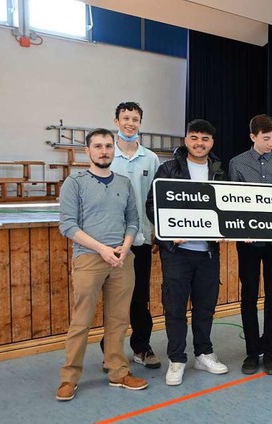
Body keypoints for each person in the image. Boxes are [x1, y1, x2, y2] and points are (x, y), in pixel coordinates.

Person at [56, 128, 148, 401]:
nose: (104, 150)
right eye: (98, 146)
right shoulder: (75, 182)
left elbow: (133, 220)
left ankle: (118, 372)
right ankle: (69, 377)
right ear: (88, 151)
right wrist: (101, 249)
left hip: (122, 260)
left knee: (118, 320)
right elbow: (68, 225)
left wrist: (126, 246)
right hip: (89, 258)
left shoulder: (123, 183)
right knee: (81, 322)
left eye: (108, 146)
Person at [146, 119, 229, 386]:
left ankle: (203, 354)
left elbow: (228, 206)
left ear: (212, 142)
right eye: (194, 137)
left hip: (207, 253)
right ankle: (177, 359)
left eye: (205, 138)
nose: (199, 143)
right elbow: (152, 205)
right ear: (186, 139)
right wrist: (168, 231)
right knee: (175, 309)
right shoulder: (168, 169)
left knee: (206, 307)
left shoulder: (218, 170)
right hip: (177, 253)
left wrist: (228, 228)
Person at [228, 114, 272, 376]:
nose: (271, 142)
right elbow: (232, 201)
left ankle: (271, 352)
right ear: (253, 136)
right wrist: (243, 230)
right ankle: (252, 353)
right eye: (266, 138)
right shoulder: (237, 164)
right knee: (250, 296)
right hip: (249, 243)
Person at [108, 102, 161, 369]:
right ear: (116, 121)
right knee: (114, 297)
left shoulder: (150, 158)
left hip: (140, 240)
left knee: (140, 296)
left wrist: (154, 233)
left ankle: (142, 347)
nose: (130, 123)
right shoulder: (107, 155)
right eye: (125, 118)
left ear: (141, 123)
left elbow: (154, 199)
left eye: (135, 119)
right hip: (111, 241)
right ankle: (111, 350)